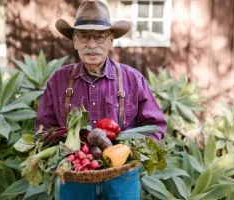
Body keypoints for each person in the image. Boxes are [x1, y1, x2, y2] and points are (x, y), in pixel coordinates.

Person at [36, 0, 167, 199]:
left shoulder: (133, 79)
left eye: (100, 37)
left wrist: (130, 153)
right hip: (74, 179)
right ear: (74, 41)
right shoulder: (58, 81)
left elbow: (155, 126)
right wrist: (59, 152)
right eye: (84, 36)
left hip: (122, 179)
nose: (91, 45)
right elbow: (43, 129)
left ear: (111, 40)